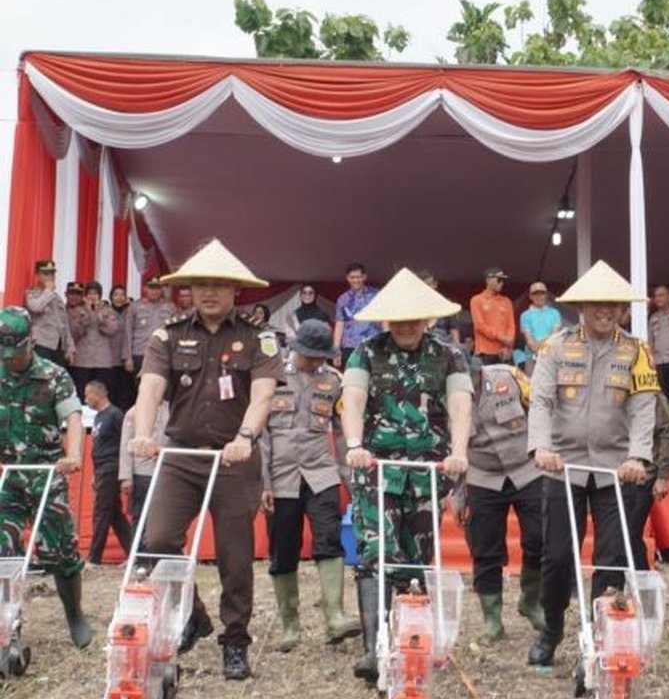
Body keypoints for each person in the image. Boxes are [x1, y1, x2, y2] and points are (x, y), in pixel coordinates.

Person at [127, 239, 284, 680]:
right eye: (200, 286)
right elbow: (151, 389)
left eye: (219, 285)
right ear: (188, 292)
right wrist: (142, 434)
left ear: (237, 292)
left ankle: (235, 641)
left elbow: (264, 395)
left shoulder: (259, 339)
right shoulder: (169, 335)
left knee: (235, 558)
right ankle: (192, 613)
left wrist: (246, 436)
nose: (209, 293)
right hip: (180, 455)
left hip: (234, 459)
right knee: (156, 539)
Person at [339, 269, 472, 684]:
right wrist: (355, 444)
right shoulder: (365, 352)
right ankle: (372, 647)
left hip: (428, 471)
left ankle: (408, 639)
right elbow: (354, 399)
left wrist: (459, 453)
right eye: (398, 318)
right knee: (377, 550)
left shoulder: (450, 355)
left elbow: (460, 403)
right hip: (376, 469)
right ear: (386, 319)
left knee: (416, 556)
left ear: (428, 318)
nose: (407, 325)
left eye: (415, 317)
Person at [524, 260, 658, 669]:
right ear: (580, 307)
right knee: (559, 555)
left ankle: (600, 634)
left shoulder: (636, 351)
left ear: (622, 311)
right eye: (596, 305)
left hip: (616, 471)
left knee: (611, 555)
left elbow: (643, 407)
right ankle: (551, 630)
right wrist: (540, 448)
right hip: (562, 466)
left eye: (613, 306)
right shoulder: (556, 347)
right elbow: (541, 401)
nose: (605, 312)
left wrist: (639, 456)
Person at [260, 319, 361, 652]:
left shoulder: (333, 382)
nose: (317, 362)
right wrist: (264, 482)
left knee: (329, 539)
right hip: (281, 476)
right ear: (297, 349)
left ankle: (335, 617)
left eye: (322, 356)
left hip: (321, 474)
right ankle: (291, 626)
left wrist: (351, 478)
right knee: (283, 550)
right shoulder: (271, 376)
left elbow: (344, 433)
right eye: (311, 356)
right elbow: (261, 433)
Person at [0, 307, 92, 648]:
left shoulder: (54, 375)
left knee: (59, 553)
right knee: (2, 550)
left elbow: (73, 417)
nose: (10, 360)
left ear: (32, 342)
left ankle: (75, 615)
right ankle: (9, 628)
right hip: (7, 477)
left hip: (47, 475)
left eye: (16, 352)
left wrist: (74, 455)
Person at [465, 359, 546, 642]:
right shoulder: (441, 395)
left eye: (471, 375)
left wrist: (545, 450)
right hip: (481, 476)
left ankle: (530, 599)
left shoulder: (508, 376)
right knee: (485, 548)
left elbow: (540, 408)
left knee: (540, 537)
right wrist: (455, 493)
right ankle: (492, 620)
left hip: (527, 468)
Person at [621, 393, 669, 572]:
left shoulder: (652, 395)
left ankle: (642, 580)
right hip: (611, 475)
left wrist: (663, 476)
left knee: (630, 532)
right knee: (615, 535)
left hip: (644, 476)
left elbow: (668, 435)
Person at [84, 379, 131, 565]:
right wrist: (95, 473)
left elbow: (124, 442)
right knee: (114, 514)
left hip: (112, 467)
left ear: (98, 394)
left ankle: (94, 558)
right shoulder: (98, 417)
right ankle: (134, 552)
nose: (86, 399)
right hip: (101, 468)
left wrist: (125, 472)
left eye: (88, 395)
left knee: (102, 511)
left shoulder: (115, 415)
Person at [68, 281, 120, 402]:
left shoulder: (108, 310)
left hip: (102, 360)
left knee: (101, 393)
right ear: (85, 295)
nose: (92, 296)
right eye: (90, 293)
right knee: (81, 393)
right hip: (82, 360)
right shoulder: (77, 311)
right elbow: (73, 332)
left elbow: (113, 330)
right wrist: (85, 317)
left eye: (96, 294)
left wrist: (100, 317)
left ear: (100, 296)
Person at [119, 401, 168, 527]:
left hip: (167, 472)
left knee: (166, 517)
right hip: (142, 472)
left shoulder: (173, 409)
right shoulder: (133, 412)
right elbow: (126, 445)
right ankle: (139, 546)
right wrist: (126, 477)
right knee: (140, 517)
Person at [122, 277, 175, 386]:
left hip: (162, 353)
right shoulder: (135, 306)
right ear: (145, 289)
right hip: (140, 353)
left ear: (162, 290)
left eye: (157, 288)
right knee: (141, 388)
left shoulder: (170, 307)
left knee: (162, 388)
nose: (154, 291)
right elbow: (127, 333)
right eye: (151, 288)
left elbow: (175, 333)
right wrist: (127, 358)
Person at [25, 260, 74, 365]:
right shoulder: (31, 293)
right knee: (41, 378)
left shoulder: (56, 297)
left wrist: (70, 347)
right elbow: (36, 307)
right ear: (37, 275)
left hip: (58, 345)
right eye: (46, 273)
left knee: (57, 379)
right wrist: (48, 291)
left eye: (52, 273)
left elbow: (64, 323)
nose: (50, 276)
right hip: (41, 344)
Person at [333, 262, 379, 369]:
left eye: (358, 277)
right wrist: (336, 349)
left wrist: (388, 341)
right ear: (347, 278)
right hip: (350, 346)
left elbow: (384, 320)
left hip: (373, 344)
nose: (355, 280)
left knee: (374, 379)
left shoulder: (375, 295)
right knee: (351, 381)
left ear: (364, 277)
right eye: (352, 277)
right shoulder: (343, 299)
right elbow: (340, 324)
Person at [470, 267, 516, 365]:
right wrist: (501, 337)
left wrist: (508, 346)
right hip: (485, 351)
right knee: (486, 380)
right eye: (499, 280)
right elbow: (479, 326)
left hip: (503, 352)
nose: (501, 283)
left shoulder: (506, 301)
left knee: (505, 380)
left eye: (503, 280)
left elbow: (511, 325)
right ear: (488, 280)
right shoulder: (477, 300)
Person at [516, 281, 561, 374]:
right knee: (531, 387)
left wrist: (538, 345)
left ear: (546, 295)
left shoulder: (555, 313)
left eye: (542, 293)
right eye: (535, 293)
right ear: (530, 296)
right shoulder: (525, 315)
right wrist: (544, 343)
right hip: (532, 360)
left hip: (552, 358)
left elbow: (555, 337)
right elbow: (530, 343)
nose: (539, 296)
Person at [108, 284, 132, 408]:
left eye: (122, 295)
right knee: (111, 391)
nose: (119, 298)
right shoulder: (106, 311)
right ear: (111, 297)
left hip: (126, 358)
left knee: (126, 392)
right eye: (116, 295)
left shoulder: (131, 310)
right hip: (110, 358)